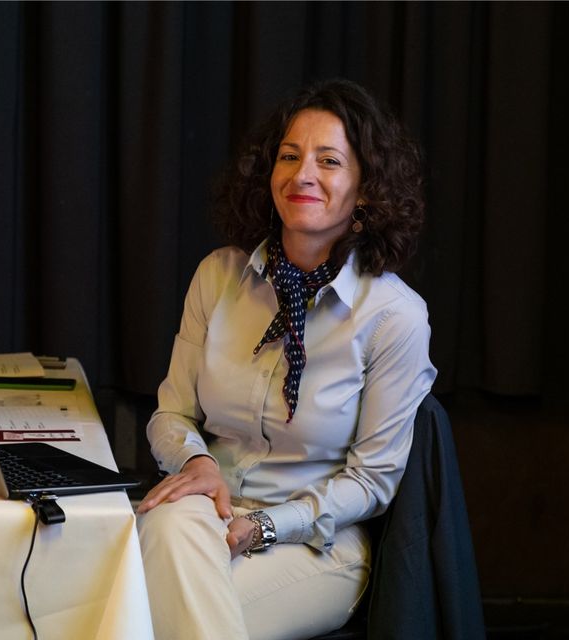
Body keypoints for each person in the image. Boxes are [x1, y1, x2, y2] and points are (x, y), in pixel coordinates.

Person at [135, 79, 437, 640]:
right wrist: (196, 464)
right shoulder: (218, 276)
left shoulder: (394, 317)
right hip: (204, 511)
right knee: (171, 526)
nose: (302, 175)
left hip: (315, 543)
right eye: (290, 156)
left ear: (366, 191)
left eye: (329, 161)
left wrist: (265, 525)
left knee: (138, 615)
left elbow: (371, 481)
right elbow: (170, 415)